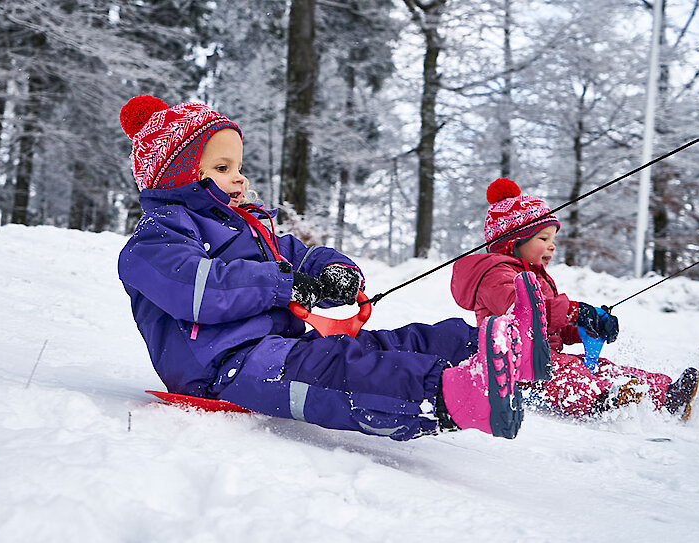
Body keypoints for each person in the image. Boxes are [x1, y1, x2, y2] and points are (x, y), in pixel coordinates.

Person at [117, 96, 549, 441]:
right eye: (223, 168)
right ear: (178, 177)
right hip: (226, 368)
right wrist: (285, 285)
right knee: (347, 367)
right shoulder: (154, 241)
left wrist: (335, 273)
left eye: (239, 167)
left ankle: (500, 350)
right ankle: (461, 396)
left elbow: (298, 256)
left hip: (274, 347)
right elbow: (199, 290)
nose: (240, 179)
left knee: (391, 345)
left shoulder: (246, 229)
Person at [451, 178, 699, 421]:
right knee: (567, 372)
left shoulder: (535, 276)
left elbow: (551, 325)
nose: (552, 246)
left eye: (553, 239)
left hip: (543, 358)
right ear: (513, 241)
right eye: (543, 239)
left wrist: (585, 327)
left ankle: (665, 396)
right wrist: (575, 311)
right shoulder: (496, 275)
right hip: (513, 367)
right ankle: (603, 400)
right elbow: (525, 311)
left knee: (602, 367)